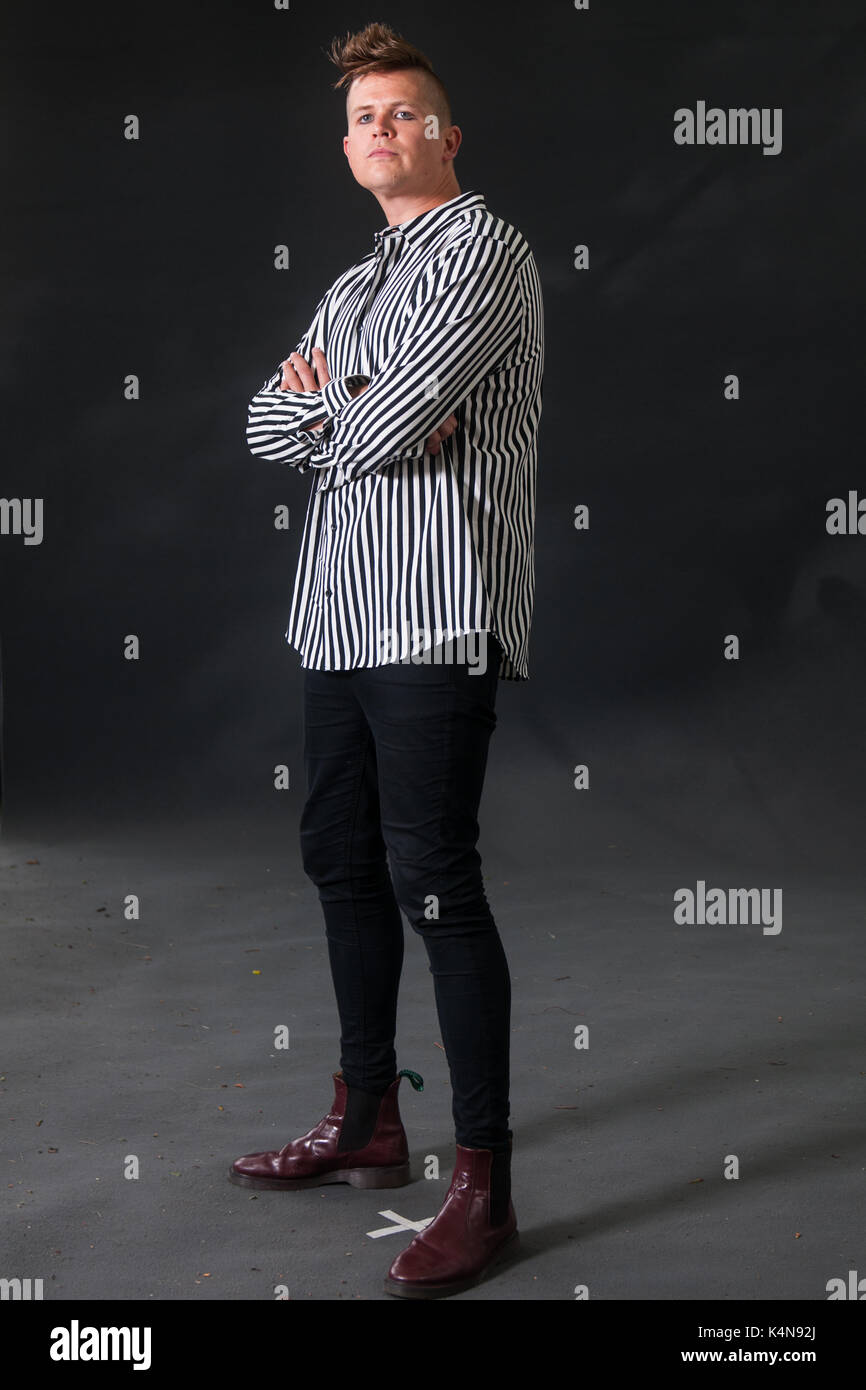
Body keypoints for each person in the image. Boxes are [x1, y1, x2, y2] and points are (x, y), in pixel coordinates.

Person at [230, 20, 544, 1300]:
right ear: (347, 146)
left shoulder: (487, 247)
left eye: (406, 113)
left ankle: (485, 1181)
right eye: (365, 119)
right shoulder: (352, 284)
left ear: (446, 134)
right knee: (337, 857)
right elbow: (266, 423)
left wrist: (350, 408)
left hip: (431, 612)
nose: (383, 132)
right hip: (338, 615)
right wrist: (355, 407)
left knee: (435, 880)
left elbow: (403, 421)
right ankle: (366, 1117)